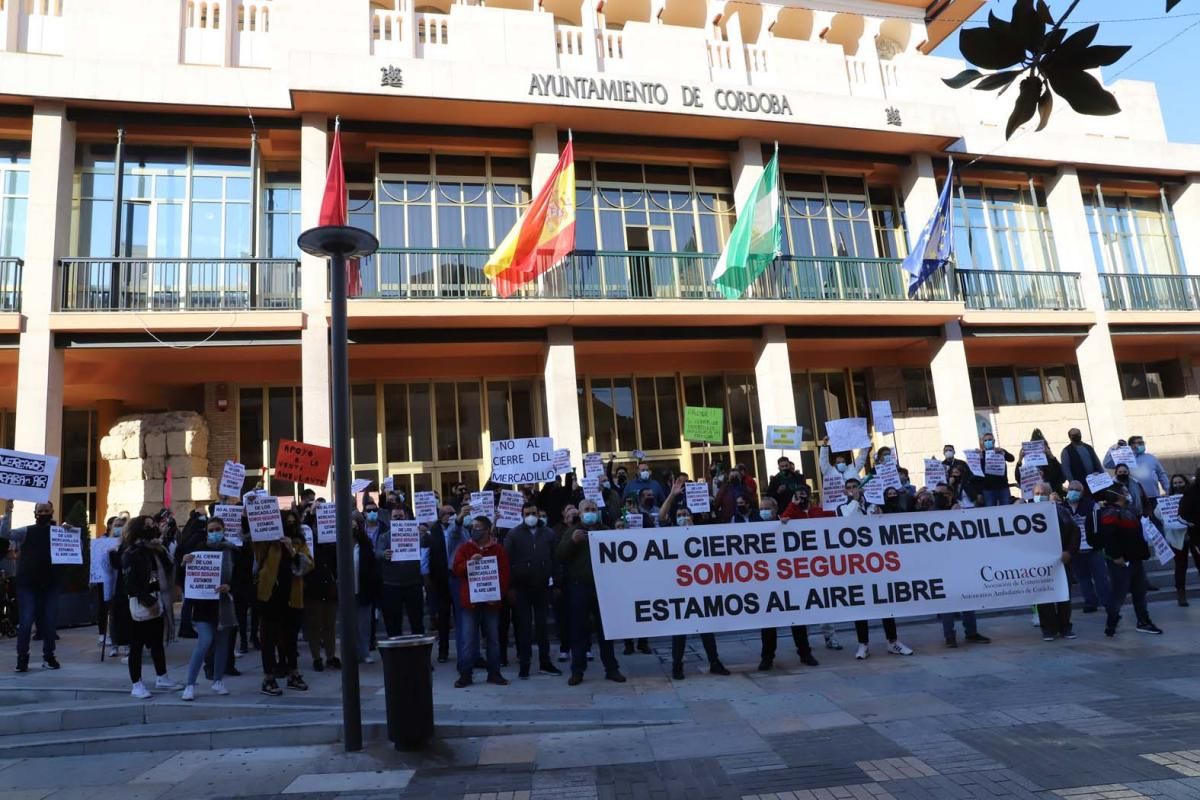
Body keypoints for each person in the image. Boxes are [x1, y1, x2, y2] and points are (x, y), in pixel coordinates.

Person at [556, 499, 626, 686]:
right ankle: (577, 671)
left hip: (603, 588)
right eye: (586, 509)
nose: (590, 512)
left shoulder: (605, 531)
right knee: (578, 630)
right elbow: (560, 555)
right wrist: (572, 542)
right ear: (579, 512)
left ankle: (611, 668)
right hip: (579, 587)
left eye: (593, 509)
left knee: (606, 631)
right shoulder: (572, 531)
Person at [665, 505, 730, 679]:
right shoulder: (669, 535)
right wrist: (671, 496)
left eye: (685, 514)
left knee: (706, 628)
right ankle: (677, 665)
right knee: (680, 630)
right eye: (679, 515)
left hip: (700, 588)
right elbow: (662, 516)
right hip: (679, 589)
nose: (682, 517)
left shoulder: (701, 534)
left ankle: (714, 662)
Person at [253, 511, 313, 696]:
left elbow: (309, 564)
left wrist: (292, 550)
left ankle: (292, 673)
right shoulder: (268, 543)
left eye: (293, 524)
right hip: (270, 596)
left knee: (290, 637)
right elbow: (256, 551)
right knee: (268, 637)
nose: (290, 526)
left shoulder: (299, 543)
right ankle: (268, 677)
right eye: (286, 523)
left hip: (291, 596)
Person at [120, 515, 180, 698]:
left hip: (158, 597)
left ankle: (162, 676)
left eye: (153, 524)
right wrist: (148, 601)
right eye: (147, 526)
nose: (152, 527)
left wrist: (161, 549)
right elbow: (131, 584)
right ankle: (136, 684)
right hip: (142, 601)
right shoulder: (131, 553)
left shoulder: (157, 549)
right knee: (136, 645)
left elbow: (169, 568)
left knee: (156, 642)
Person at [778, 486, 842, 650]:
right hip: (800, 567)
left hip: (820, 566)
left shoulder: (819, 512)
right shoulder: (792, 512)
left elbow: (839, 519)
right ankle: (803, 642)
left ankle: (830, 636)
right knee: (802, 603)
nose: (802, 500)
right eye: (798, 497)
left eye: (804, 496)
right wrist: (793, 506)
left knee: (824, 603)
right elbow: (783, 520)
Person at [180, 518, 237, 700]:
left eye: (217, 529)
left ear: (224, 529)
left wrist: (229, 586)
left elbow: (241, 576)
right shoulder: (198, 549)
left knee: (222, 644)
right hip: (203, 603)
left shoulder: (232, 550)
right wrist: (184, 562)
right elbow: (186, 578)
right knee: (205, 641)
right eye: (211, 529)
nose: (214, 532)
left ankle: (218, 681)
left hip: (224, 603)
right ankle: (189, 684)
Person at [758, 498, 818, 671]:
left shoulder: (786, 523)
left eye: (766, 508)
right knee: (768, 623)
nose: (763, 511)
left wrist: (786, 525)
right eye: (761, 508)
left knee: (797, 620)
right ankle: (767, 657)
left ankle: (805, 653)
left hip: (788, 580)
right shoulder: (754, 527)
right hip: (767, 582)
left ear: (775, 508)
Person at [504, 501, 562, 679]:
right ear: (522, 515)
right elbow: (507, 562)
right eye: (527, 513)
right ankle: (525, 665)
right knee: (523, 628)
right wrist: (510, 588)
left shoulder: (548, 533)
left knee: (542, 627)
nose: (531, 516)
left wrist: (557, 584)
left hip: (542, 586)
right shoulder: (513, 534)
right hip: (521, 588)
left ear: (538, 514)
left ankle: (545, 662)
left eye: (534, 513)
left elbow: (556, 559)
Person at [451, 515, 510, 687]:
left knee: (493, 638)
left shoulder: (498, 549)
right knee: (468, 638)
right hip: (470, 602)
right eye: (473, 526)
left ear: (486, 529)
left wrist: (497, 594)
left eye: (478, 527)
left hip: (491, 602)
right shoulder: (465, 548)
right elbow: (456, 569)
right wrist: (470, 562)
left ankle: (494, 673)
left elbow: (504, 575)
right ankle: (465, 674)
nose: (473, 529)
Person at [1097, 484, 1162, 637]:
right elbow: (1108, 536)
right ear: (1118, 495)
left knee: (1140, 592)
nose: (1128, 493)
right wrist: (1116, 555)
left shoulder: (1129, 511)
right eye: (1125, 492)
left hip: (1135, 558)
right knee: (1118, 594)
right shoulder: (1111, 513)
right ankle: (1111, 624)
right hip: (1122, 561)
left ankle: (1143, 621)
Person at [11, 502, 66, 673]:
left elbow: (73, 550)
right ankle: (22, 657)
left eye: (46, 511)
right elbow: (5, 533)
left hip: (50, 583)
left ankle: (49, 656)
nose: (43, 513)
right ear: (35, 513)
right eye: (40, 511)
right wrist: (8, 513)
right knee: (26, 622)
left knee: (50, 622)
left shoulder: (60, 532)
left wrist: (71, 531)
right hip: (28, 583)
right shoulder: (26, 531)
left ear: (52, 512)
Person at [1033, 482, 1081, 641]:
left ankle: (1065, 627)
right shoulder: (1026, 512)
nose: (1040, 496)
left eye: (1043, 493)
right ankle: (1048, 629)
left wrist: (1069, 552)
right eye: (1037, 493)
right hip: (1039, 564)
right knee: (1043, 597)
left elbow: (1075, 532)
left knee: (1063, 595)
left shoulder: (1061, 511)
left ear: (1049, 494)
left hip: (1061, 561)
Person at [376, 505, 426, 637]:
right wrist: (383, 554)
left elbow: (427, 545)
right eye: (395, 517)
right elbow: (377, 551)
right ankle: (395, 652)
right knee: (393, 622)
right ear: (390, 519)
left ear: (407, 517)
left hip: (413, 583)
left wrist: (424, 534)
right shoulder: (384, 536)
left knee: (417, 620)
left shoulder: (415, 533)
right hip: (391, 584)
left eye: (401, 516)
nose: (398, 519)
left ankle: (418, 650)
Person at [303, 501, 339, 672]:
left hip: (329, 588)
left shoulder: (331, 541)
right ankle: (317, 657)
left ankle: (331, 656)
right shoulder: (307, 541)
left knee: (329, 625)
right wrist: (311, 513)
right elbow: (304, 531)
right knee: (314, 626)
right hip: (312, 588)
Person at [1064, 480, 1108, 612]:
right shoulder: (1062, 506)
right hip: (1075, 550)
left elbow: (1100, 524)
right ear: (1067, 490)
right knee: (1083, 579)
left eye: (1077, 490)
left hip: (1093, 547)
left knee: (1101, 577)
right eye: (1071, 489)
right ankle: (1090, 603)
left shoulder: (1091, 505)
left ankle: (1106, 602)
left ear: (1082, 493)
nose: (1073, 492)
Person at [1155, 474, 1197, 607]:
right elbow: (1157, 514)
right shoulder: (1167, 499)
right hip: (1177, 537)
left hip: (1194, 535)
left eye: (1180, 482)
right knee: (1180, 565)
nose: (1178, 485)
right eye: (1175, 483)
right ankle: (1181, 593)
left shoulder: (1193, 496)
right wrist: (1164, 506)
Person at [424, 504, 455, 662]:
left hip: (457, 577)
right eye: (447, 513)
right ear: (441, 515)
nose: (450, 516)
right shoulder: (432, 533)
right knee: (443, 617)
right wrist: (426, 576)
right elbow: (426, 555)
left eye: (453, 513)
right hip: (440, 578)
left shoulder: (458, 530)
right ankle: (443, 651)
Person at [351, 523, 379, 664]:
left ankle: (365, 652)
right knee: (351, 625)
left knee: (364, 624)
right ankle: (353, 652)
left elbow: (372, 569)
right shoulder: (341, 546)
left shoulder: (365, 547)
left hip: (363, 591)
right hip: (348, 593)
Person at [978, 433, 1015, 506]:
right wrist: (980, 458)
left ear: (993, 441)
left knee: (1006, 508)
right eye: (985, 440)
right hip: (988, 488)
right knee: (991, 510)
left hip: (1003, 486)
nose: (987, 442)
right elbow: (980, 470)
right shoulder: (982, 454)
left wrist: (1004, 453)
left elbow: (1012, 459)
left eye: (989, 440)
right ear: (983, 442)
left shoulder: (1000, 451)